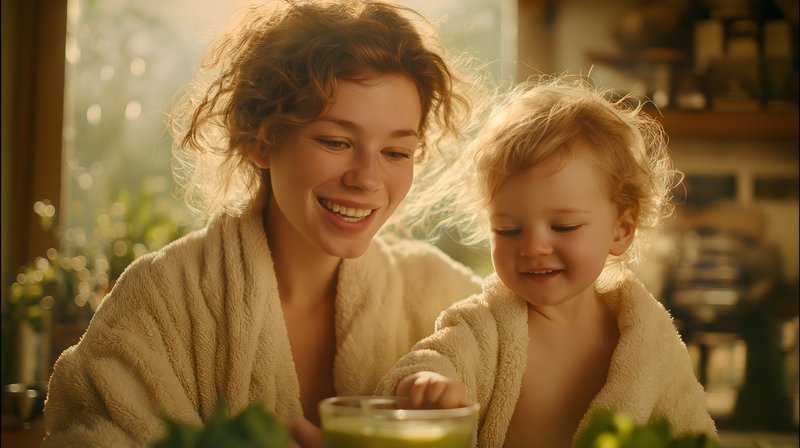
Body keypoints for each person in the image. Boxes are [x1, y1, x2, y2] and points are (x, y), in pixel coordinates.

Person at [43, 1, 485, 446]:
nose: (367, 179)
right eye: (335, 141)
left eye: (396, 153)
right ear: (261, 138)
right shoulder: (159, 301)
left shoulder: (444, 301)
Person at [376, 77, 718, 447]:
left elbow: (691, 431)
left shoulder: (650, 344)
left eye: (563, 226)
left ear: (621, 230)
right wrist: (425, 385)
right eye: (508, 230)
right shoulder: (485, 327)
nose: (534, 247)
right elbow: (433, 359)